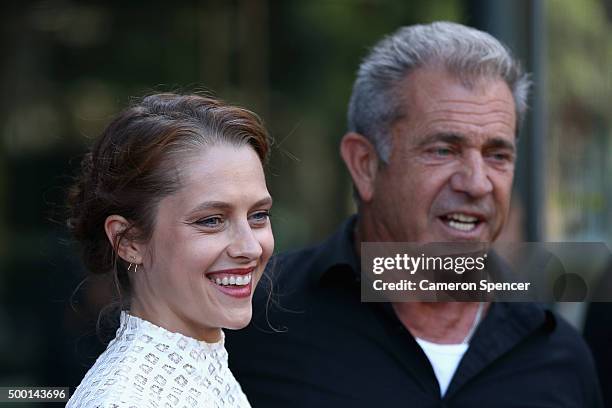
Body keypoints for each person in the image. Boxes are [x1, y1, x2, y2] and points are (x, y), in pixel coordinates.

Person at [225, 22, 603, 407]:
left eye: (497, 155)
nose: (477, 183)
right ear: (365, 165)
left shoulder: (559, 359)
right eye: (444, 150)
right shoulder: (250, 321)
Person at [66, 93, 274, 407]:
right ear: (129, 241)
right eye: (211, 220)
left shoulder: (204, 370)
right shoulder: (124, 400)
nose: (249, 247)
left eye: (258, 215)